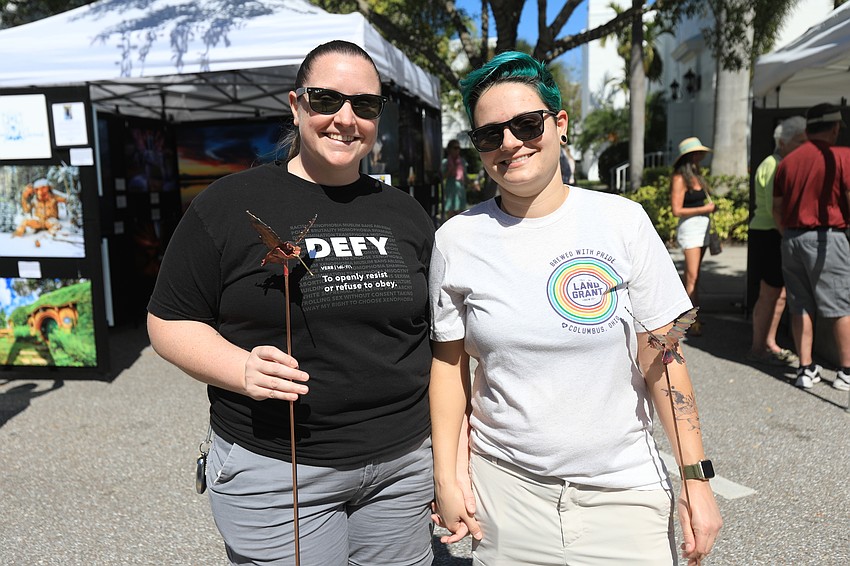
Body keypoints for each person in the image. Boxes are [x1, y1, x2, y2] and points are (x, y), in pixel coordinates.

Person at [147, 40, 436, 565]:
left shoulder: (406, 213)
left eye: (365, 106)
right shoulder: (229, 203)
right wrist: (238, 367)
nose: (345, 119)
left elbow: (432, 335)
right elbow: (169, 320)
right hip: (280, 469)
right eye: (326, 100)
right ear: (297, 104)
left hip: (403, 466)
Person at [429, 51, 722, 566]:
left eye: (525, 123)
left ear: (560, 124)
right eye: (489, 135)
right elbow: (450, 365)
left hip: (625, 494)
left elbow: (665, 359)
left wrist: (695, 480)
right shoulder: (456, 239)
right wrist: (447, 475)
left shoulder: (623, 222)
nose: (510, 144)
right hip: (506, 497)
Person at [772, 103, 850, 391]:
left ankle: (805, 369)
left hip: (791, 238)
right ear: (835, 128)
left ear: (807, 129)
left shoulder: (788, 162)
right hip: (828, 237)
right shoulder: (842, 156)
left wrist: (788, 234)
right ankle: (846, 372)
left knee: (799, 305)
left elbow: (776, 208)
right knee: (841, 305)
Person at [746, 117, 807, 367]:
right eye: (799, 141)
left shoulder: (781, 162)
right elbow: (775, 209)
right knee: (769, 293)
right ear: (783, 142)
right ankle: (758, 347)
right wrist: (789, 240)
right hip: (770, 232)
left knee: (779, 294)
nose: (804, 146)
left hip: (774, 231)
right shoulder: (774, 165)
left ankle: (768, 343)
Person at [670, 137, 717, 336]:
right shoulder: (680, 178)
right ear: (690, 157)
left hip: (702, 229)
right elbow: (676, 210)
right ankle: (686, 323)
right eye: (697, 154)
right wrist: (703, 209)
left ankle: (692, 317)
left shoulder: (697, 175)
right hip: (691, 230)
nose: (701, 157)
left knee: (695, 277)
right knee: (691, 277)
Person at [442, 139, 469, 218]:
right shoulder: (445, 162)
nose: (457, 150)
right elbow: (443, 177)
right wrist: (451, 169)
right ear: (449, 149)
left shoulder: (462, 161)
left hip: (460, 189)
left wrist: (473, 184)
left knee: (461, 214)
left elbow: (465, 176)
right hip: (450, 189)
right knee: (450, 214)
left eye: (458, 148)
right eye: (455, 148)